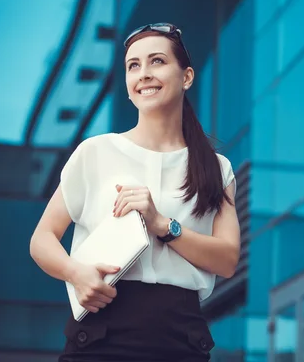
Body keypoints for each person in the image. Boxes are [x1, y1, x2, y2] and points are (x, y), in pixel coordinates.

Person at [29, 23, 241, 361]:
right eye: (133, 65)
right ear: (128, 86)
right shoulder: (96, 152)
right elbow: (42, 239)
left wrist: (163, 226)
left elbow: (228, 260)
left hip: (180, 337)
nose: (143, 73)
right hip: (102, 330)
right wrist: (75, 273)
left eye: (156, 61)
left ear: (186, 77)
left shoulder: (217, 168)